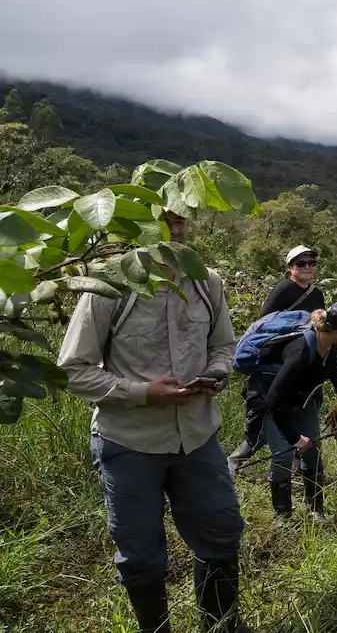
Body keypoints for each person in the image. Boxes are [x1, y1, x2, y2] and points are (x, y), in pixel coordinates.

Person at [57, 210, 251, 633]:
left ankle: (222, 625)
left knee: (221, 533)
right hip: (129, 442)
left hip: (197, 438)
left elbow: (223, 346)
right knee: (141, 554)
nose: (176, 229)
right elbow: (73, 370)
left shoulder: (206, 282)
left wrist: (217, 372)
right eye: (164, 219)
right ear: (138, 223)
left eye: (181, 219)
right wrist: (143, 392)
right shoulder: (110, 285)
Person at [257, 302, 337, 525]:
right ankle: (283, 516)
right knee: (283, 455)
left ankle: (316, 511)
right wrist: (294, 438)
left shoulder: (332, 345)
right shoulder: (301, 351)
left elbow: (333, 367)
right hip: (272, 402)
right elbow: (273, 400)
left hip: (303, 400)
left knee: (313, 449)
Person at [227, 245, 326, 477]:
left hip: (301, 370)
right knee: (261, 430)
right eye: (301, 264)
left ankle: (300, 473)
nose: (307, 267)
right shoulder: (284, 290)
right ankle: (231, 467)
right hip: (275, 368)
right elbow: (264, 324)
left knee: (300, 427)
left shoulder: (317, 294)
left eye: (311, 263)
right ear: (290, 267)